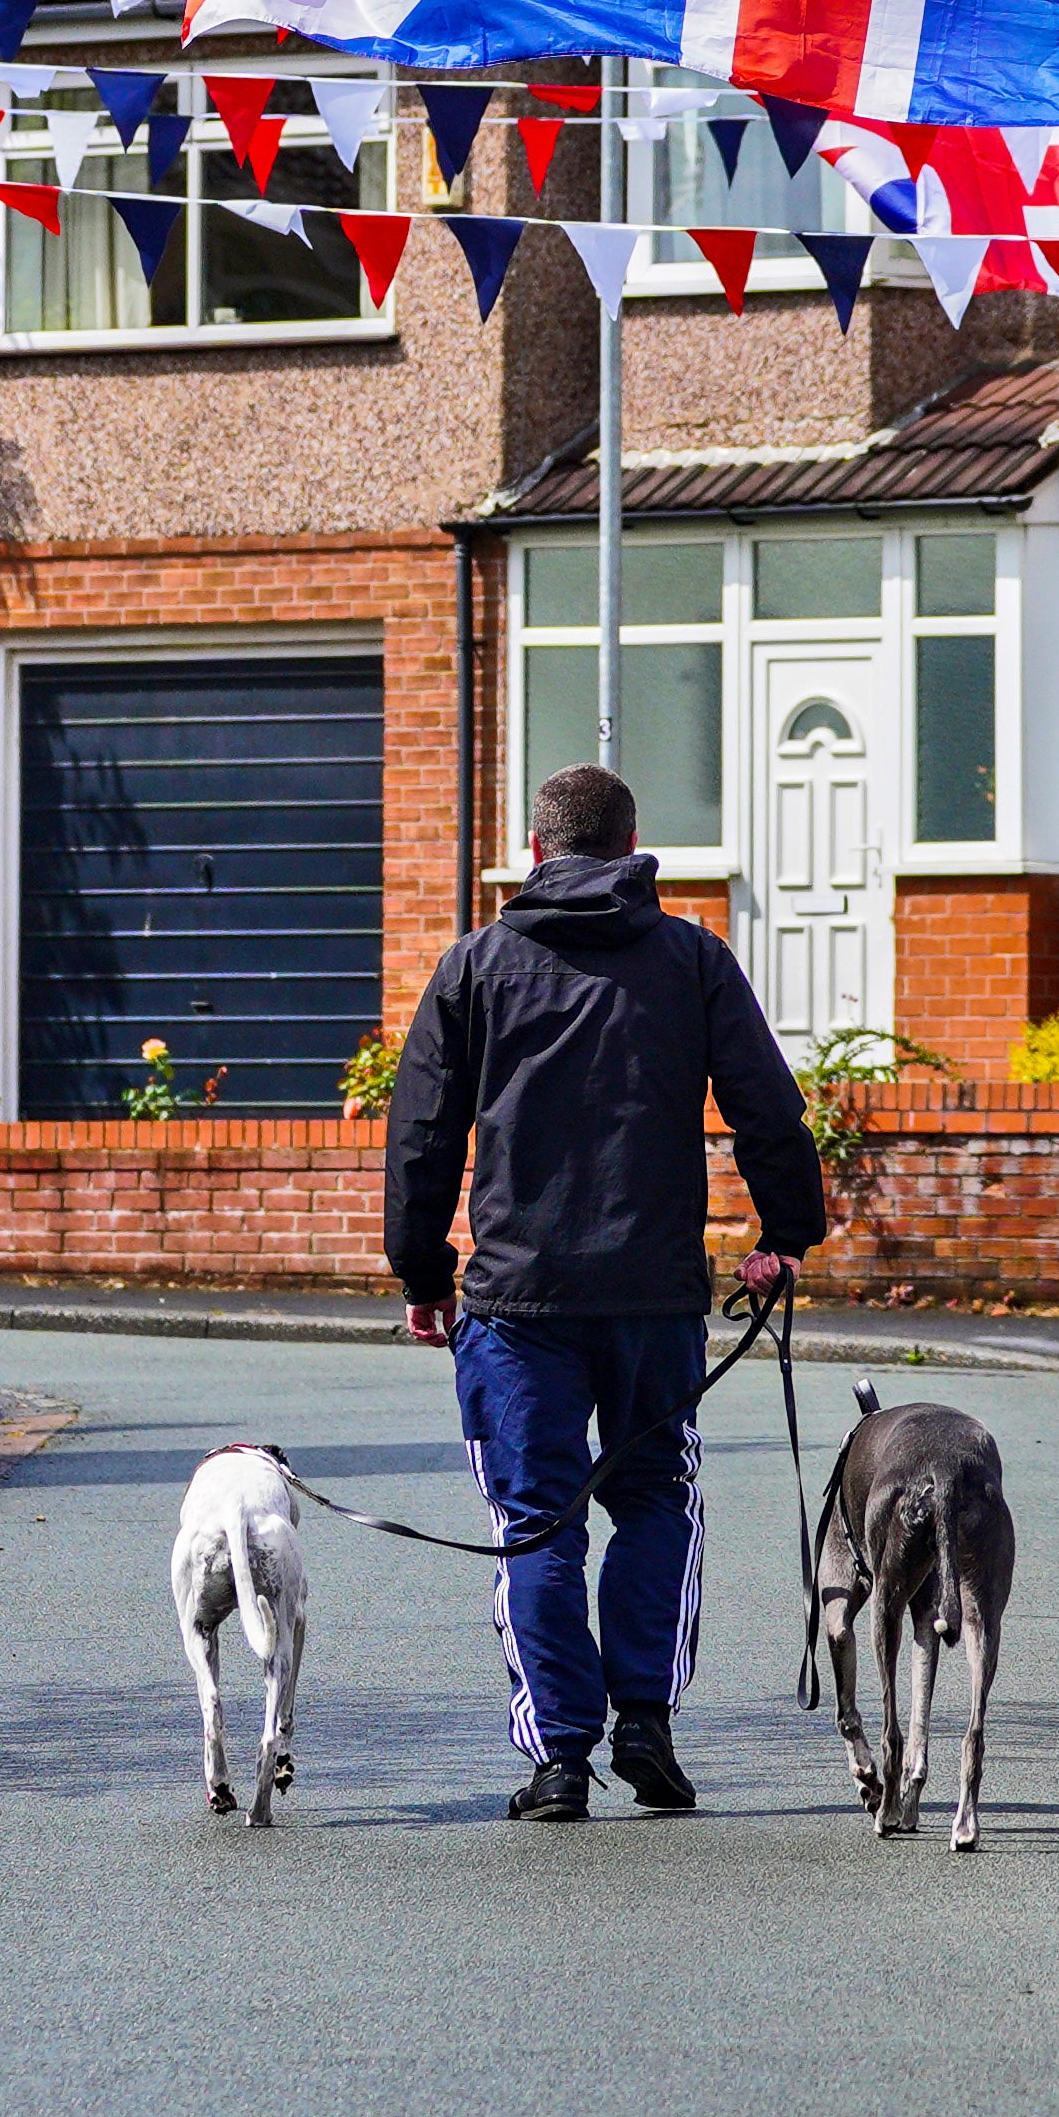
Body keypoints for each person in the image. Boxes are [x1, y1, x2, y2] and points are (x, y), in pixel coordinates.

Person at [384, 763, 830, 1823]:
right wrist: (786, 1233)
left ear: (535, 850)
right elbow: (767, 1102)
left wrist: (422, 1271)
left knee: (536, 1525)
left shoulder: (477, 964)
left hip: (516, 1300)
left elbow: (423, 1134)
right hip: (653, 1296)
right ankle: (647, 1720)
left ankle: (558, 1762)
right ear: (633, 844)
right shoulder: (692, 958)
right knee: (656, 1500)